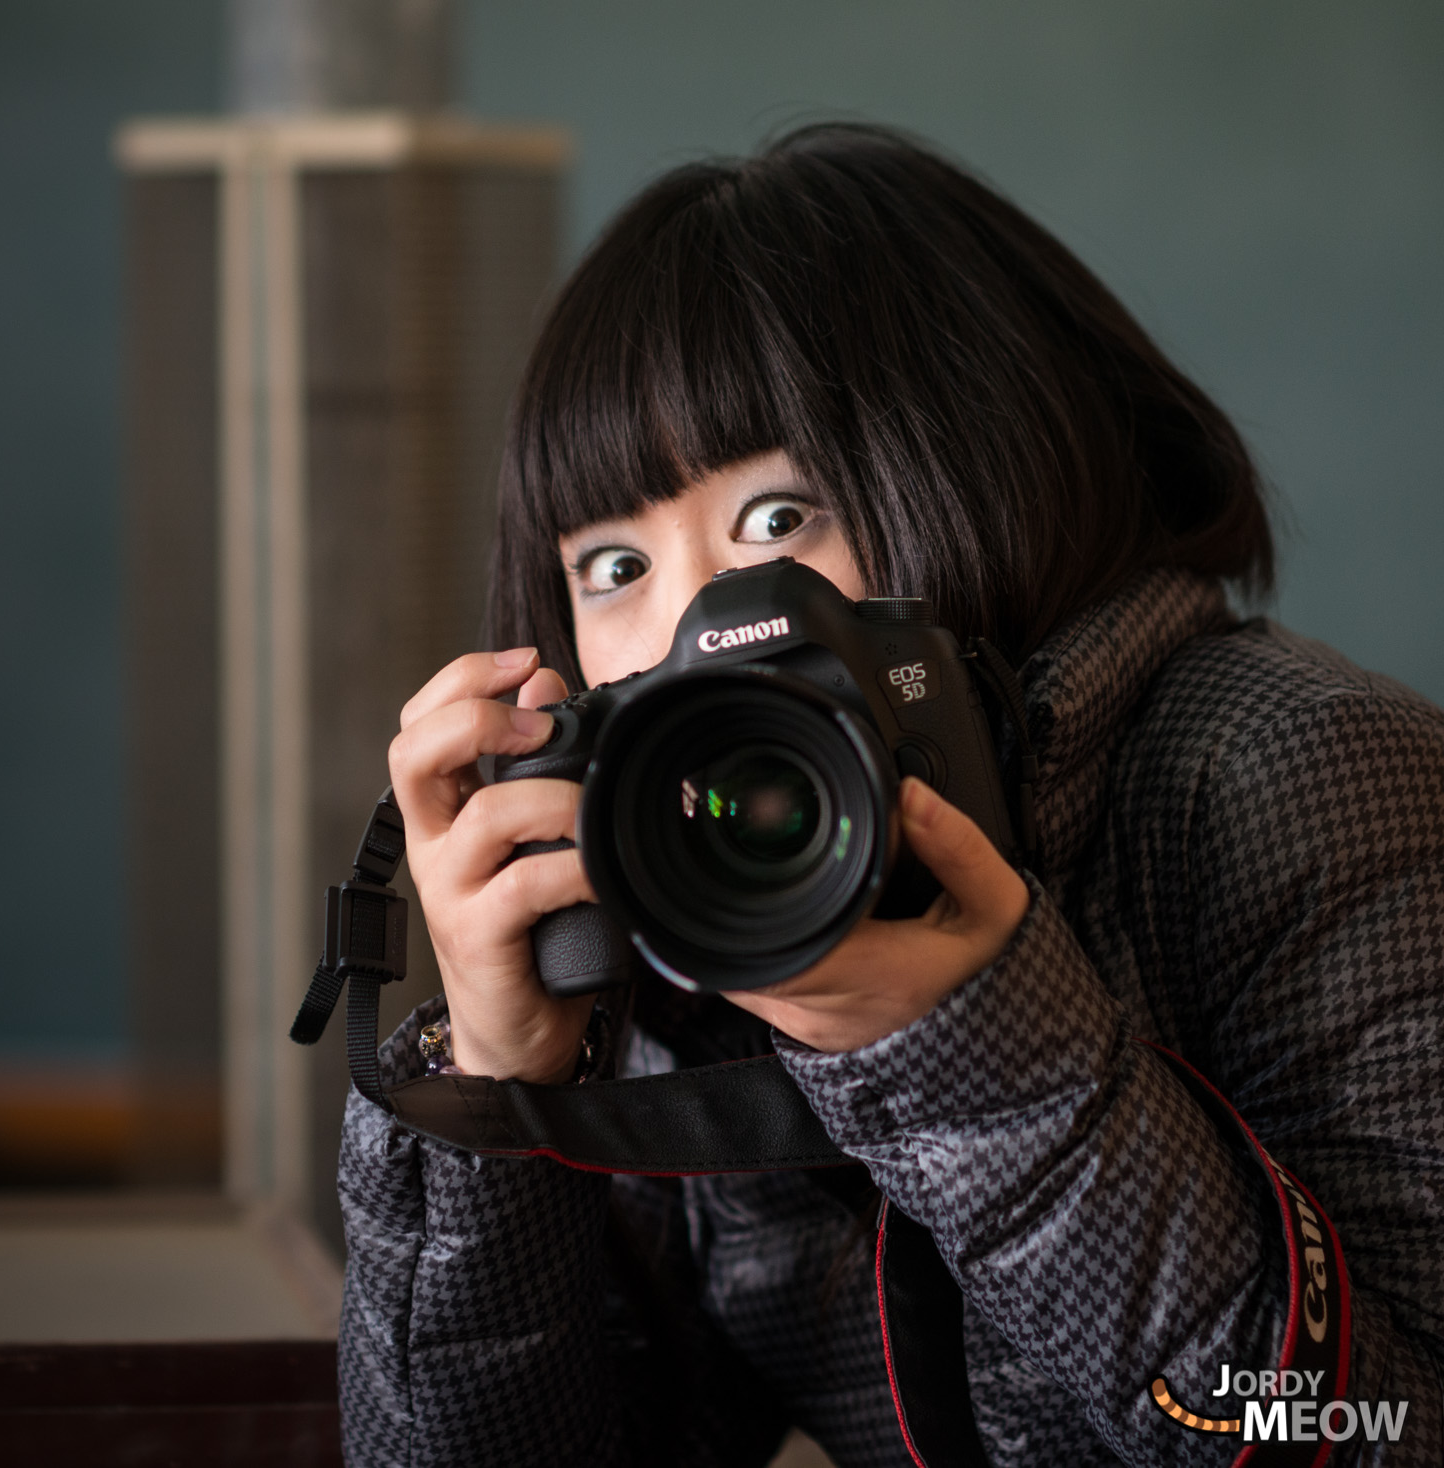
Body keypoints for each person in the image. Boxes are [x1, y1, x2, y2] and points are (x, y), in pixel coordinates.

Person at [341, 124, 1444, 1467]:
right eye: (615, 566)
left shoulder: (1307, 783)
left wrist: (978, 1062)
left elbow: (1382, 1431)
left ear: (986, 457)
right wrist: (497, 1100)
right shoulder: (687, 875)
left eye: (778, 516)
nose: (698, 622)